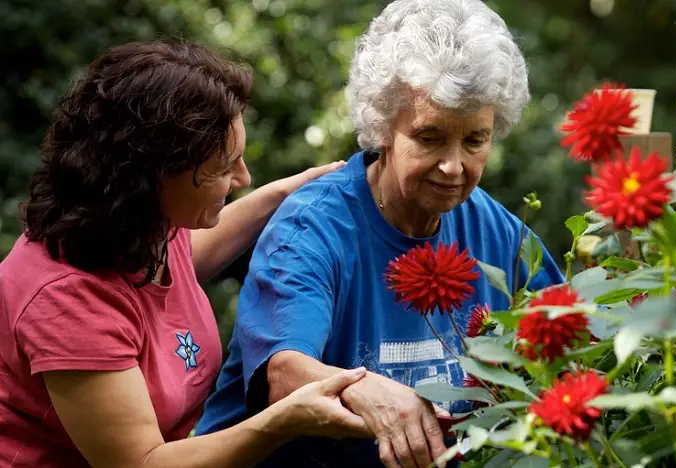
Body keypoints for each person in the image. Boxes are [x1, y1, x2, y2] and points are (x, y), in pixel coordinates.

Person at [196, 0, 565, 467]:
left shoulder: (500, 235)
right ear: (384, 127)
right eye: (429, 137)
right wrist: (364, 388)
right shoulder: (312, 229)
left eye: (475, 140)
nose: (455, 166)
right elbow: (284, 374)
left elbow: (571, 345)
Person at [0, 40, 375, 468]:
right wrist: (283, 420)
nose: (243, 178)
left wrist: (292, 190)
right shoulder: (67, 301)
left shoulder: (144, 228)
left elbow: (188, 257)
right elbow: (143, 462)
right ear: (151, 175)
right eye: (222, 168)